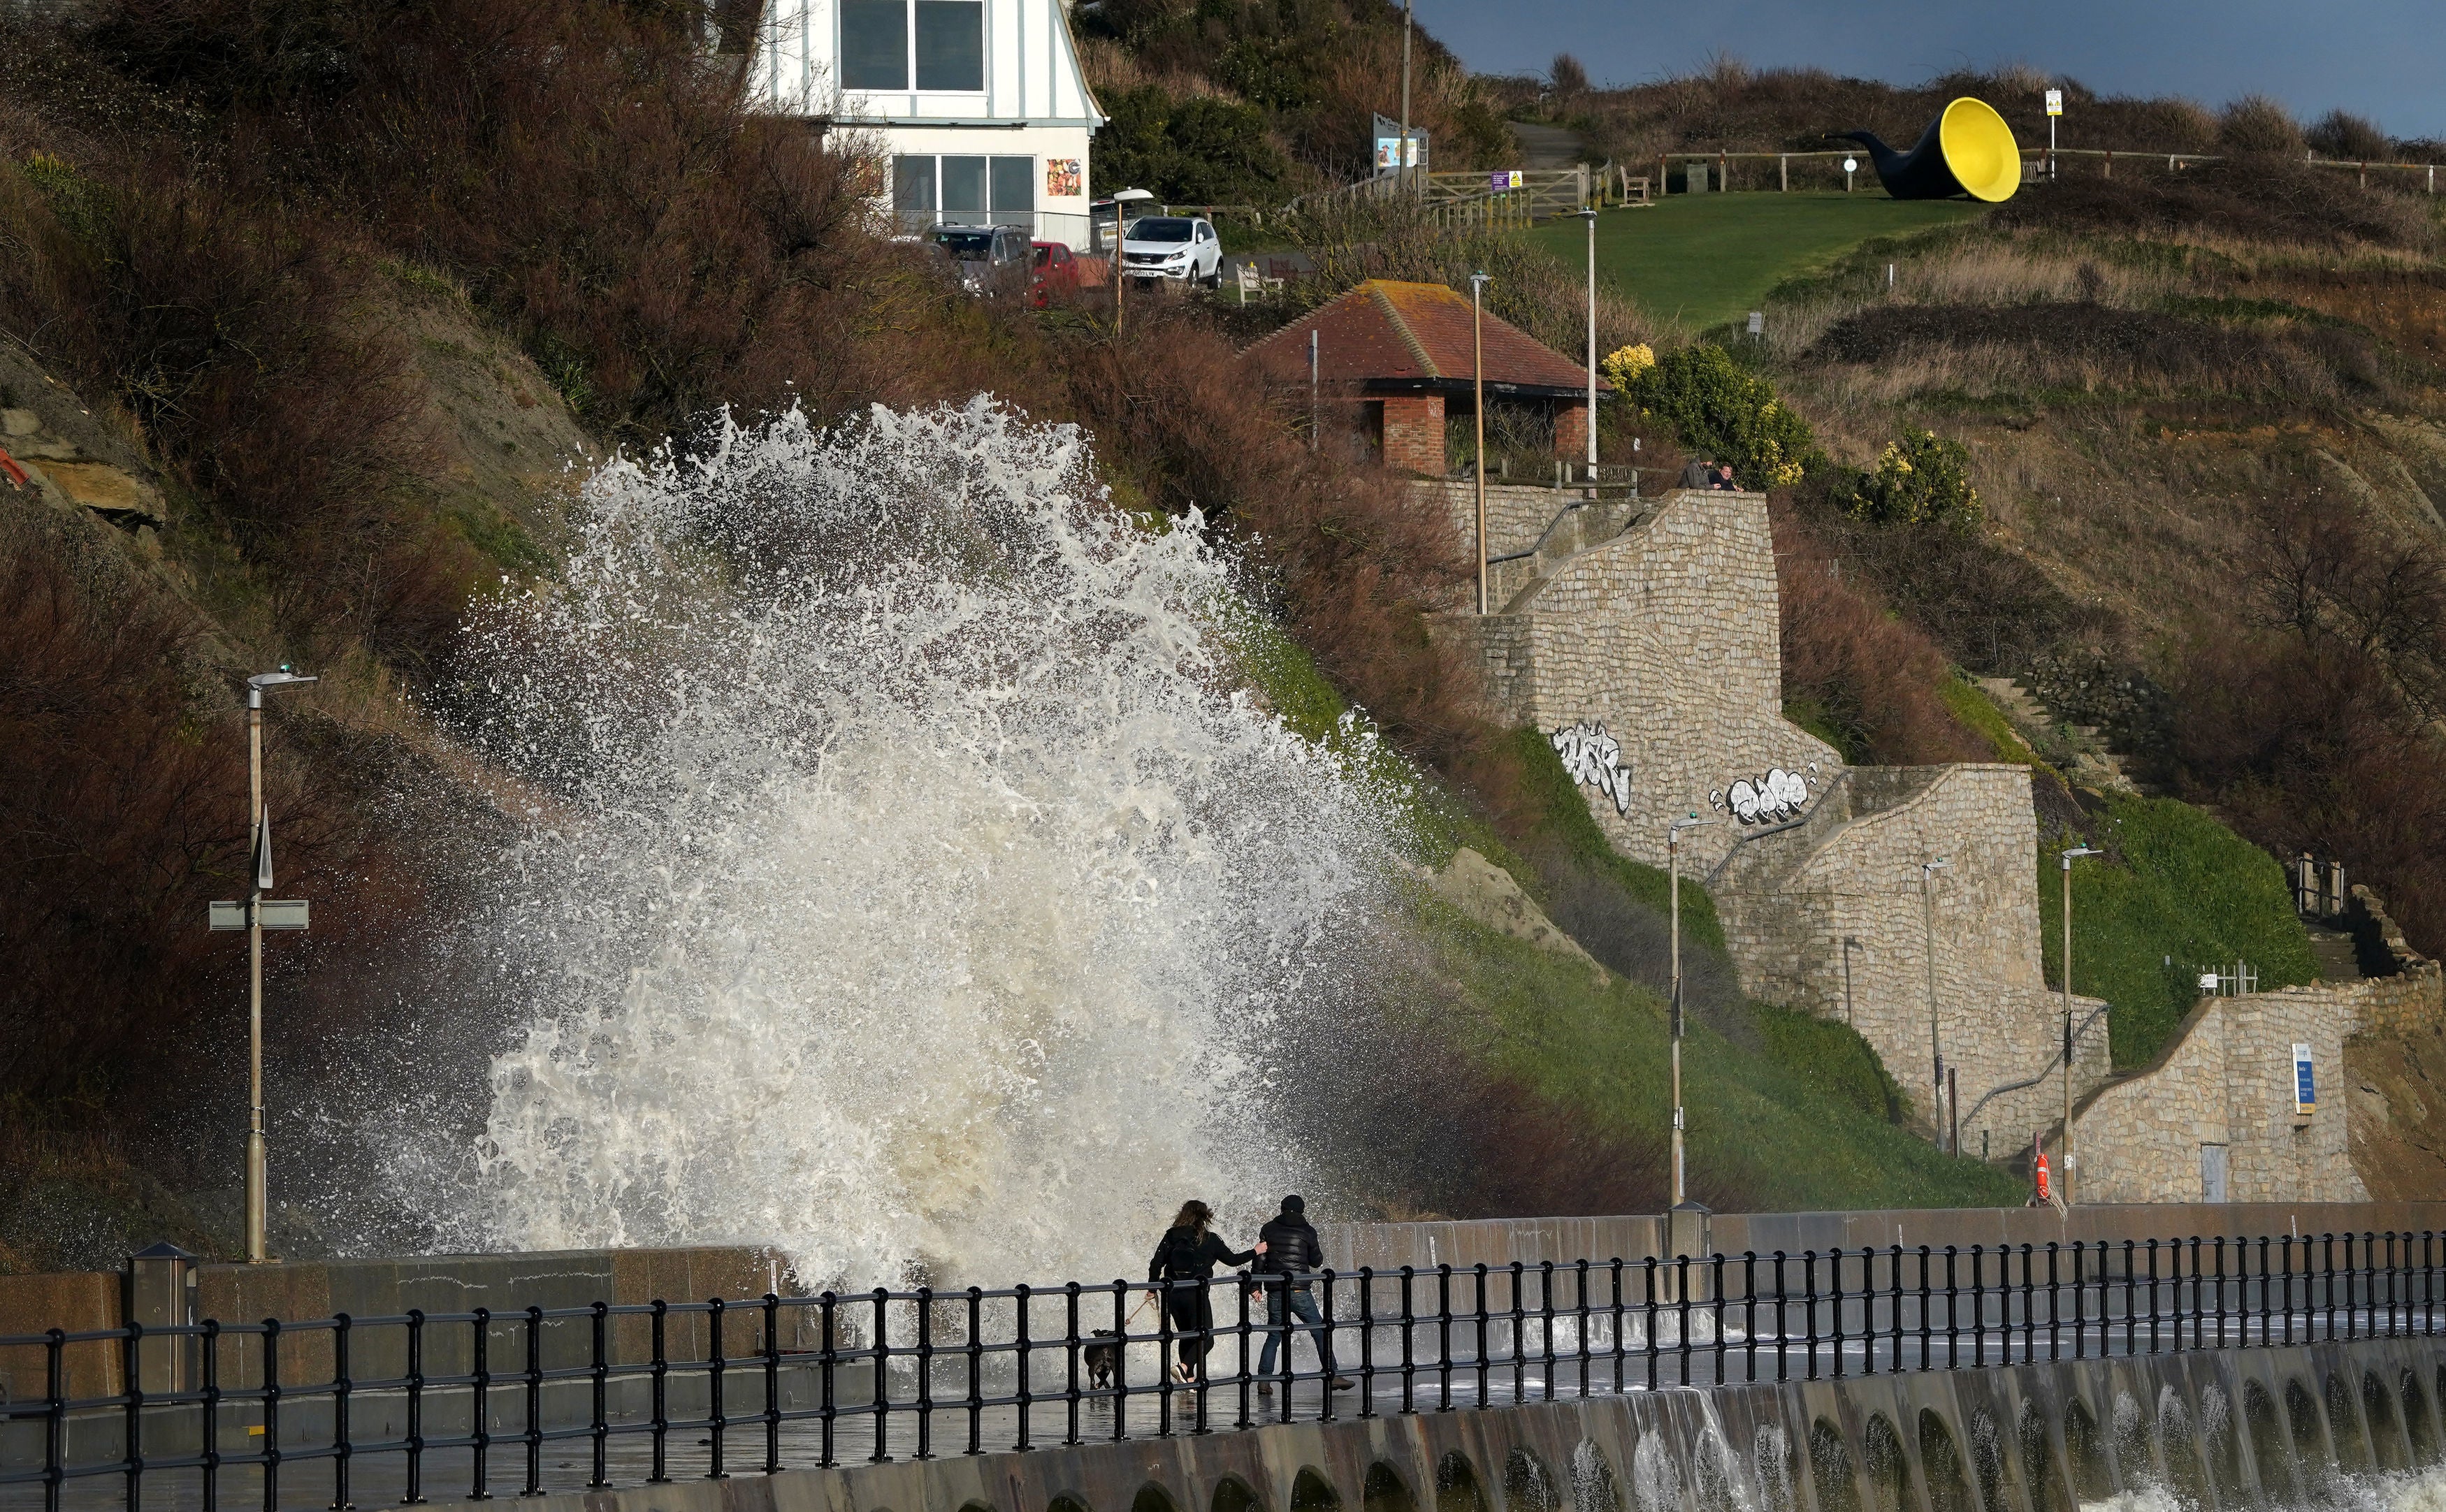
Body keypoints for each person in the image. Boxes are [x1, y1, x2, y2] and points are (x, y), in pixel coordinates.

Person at [1146, 1200, 1261, 1382]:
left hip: (1173, 1295)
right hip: (1196, 1294)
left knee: (1187, 1336)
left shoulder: (1171, 1236)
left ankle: (1189, 1381)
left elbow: (1156, 1264)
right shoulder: (1210, 1239)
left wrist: (1152, 1289)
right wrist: (1255, 1251)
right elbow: (1233, 1260)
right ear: (1204, 1217)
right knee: (1207, 1338)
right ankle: (1183, 1368)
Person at [1254, 1194, 1353, 1394]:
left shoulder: (1268, 1229)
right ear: (1302, 1210)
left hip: (1276, 1290)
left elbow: (1260, 1259)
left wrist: (1254, 1286)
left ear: (1282, 1209)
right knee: (1319, 1331)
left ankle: (1264, 1381)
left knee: (1274, 1336)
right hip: (1300, 1290)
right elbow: (1317, 1261)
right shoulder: (1307, 1231)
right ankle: (1332, 1375)